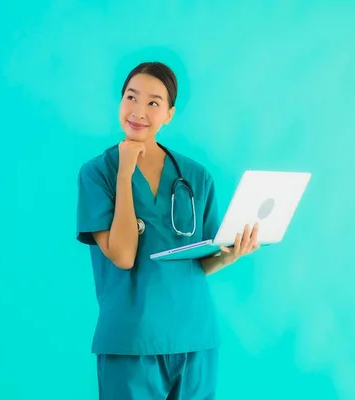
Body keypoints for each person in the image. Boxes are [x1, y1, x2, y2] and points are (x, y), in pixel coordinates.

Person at [76, 61, 259, 399]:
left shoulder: (196, 175)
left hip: (196, 338)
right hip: (131, 341)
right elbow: (123, 255)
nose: (138, 111)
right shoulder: (97, 174)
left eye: (153, 103)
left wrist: (229, 256)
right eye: (131, 97)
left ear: (169, 114)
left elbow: (199, 262)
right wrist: (125, 171)